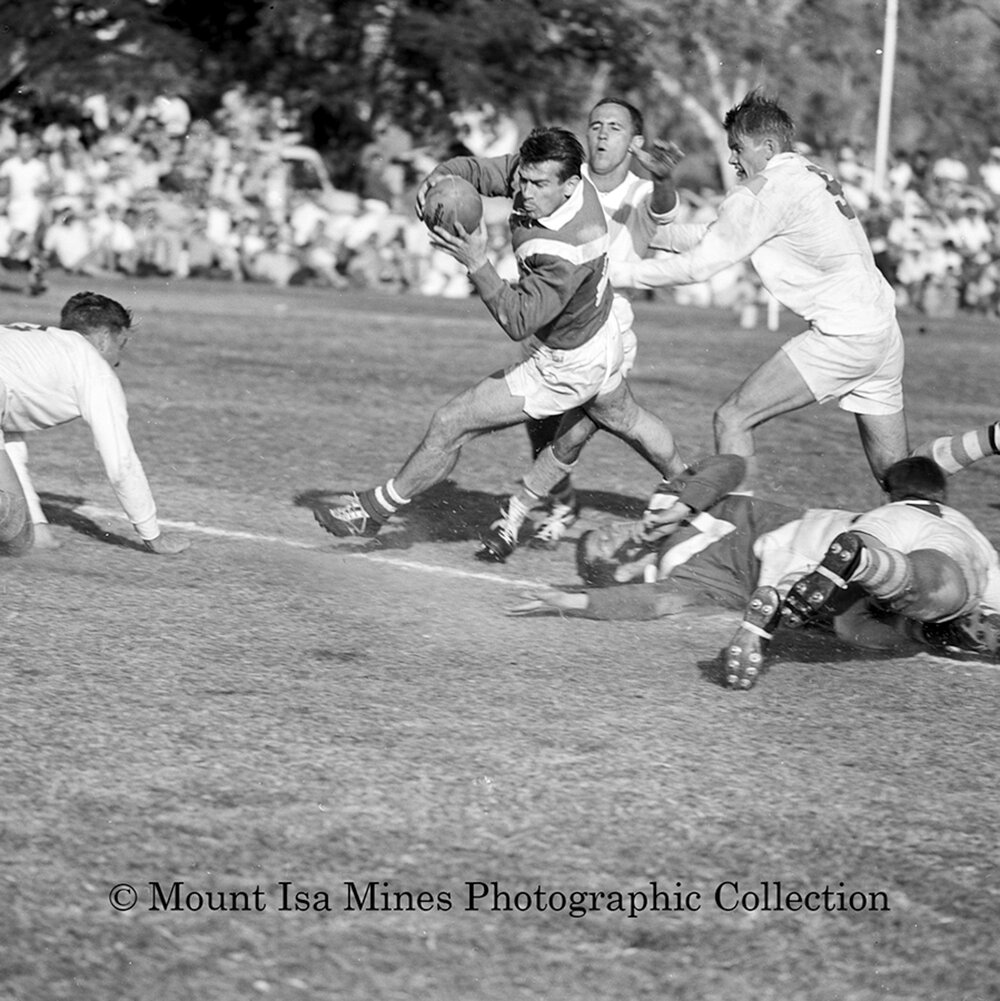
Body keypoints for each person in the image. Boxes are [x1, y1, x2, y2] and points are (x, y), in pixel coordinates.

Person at [312, 127, 687, 554]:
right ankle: (694, 488)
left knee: (452, 422)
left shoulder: (562, 250)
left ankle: (373, 511)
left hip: (567, 364)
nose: (524, 191)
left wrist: (477, 263)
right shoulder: (548, 178)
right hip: (602, 335)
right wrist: (441, 175)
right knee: (627, 419)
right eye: (524, 179)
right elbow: (486, 171)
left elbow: (518, 319)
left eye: (537, 184)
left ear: (570, 185)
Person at [609, 90, 909, 492]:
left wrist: (611, 272)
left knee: (733, 419)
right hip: (883, 333)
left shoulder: (765, 190)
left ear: (767, 147)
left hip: (846, 336)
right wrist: (649, 233)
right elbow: (720, 236)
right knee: (898, 475)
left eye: (737, 148)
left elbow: (701, 265)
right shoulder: (806, 173)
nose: (732, 159)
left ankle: (738, 541)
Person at [512, 457, 1000, 690]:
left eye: (606, 528)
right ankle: (936, 627)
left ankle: (779, 616)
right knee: (926, 602)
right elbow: (653, 603)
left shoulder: (673, 504)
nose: (614, 529)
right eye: (605, 543)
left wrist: (684, 502)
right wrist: (576, 601)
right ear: (618, 572)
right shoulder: (677, 576)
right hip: (914, 535)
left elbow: (730, 464)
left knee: (868, 611)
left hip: (833, 546)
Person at [522, 98, 684, 550]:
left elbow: (664, 209)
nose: (601, 134)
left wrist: (664, 179)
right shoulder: (569, 182)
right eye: (595, 125)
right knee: (540, 419)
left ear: (634, 141)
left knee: (578, 428)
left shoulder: (641, 191)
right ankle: (562, 500)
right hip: (554, 318)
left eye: (614, 127)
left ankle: (689, 490)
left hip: (609, 324)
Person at [0, 291, 190, 555]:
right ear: (103, 338)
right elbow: (121, 465)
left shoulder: (35, 340)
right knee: (13, 537)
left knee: (22, 535)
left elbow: (10, 443)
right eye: (120, 345)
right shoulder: (94, 369)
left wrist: (39, 527)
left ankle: (38, 531)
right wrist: (153, 536)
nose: (118, 360)